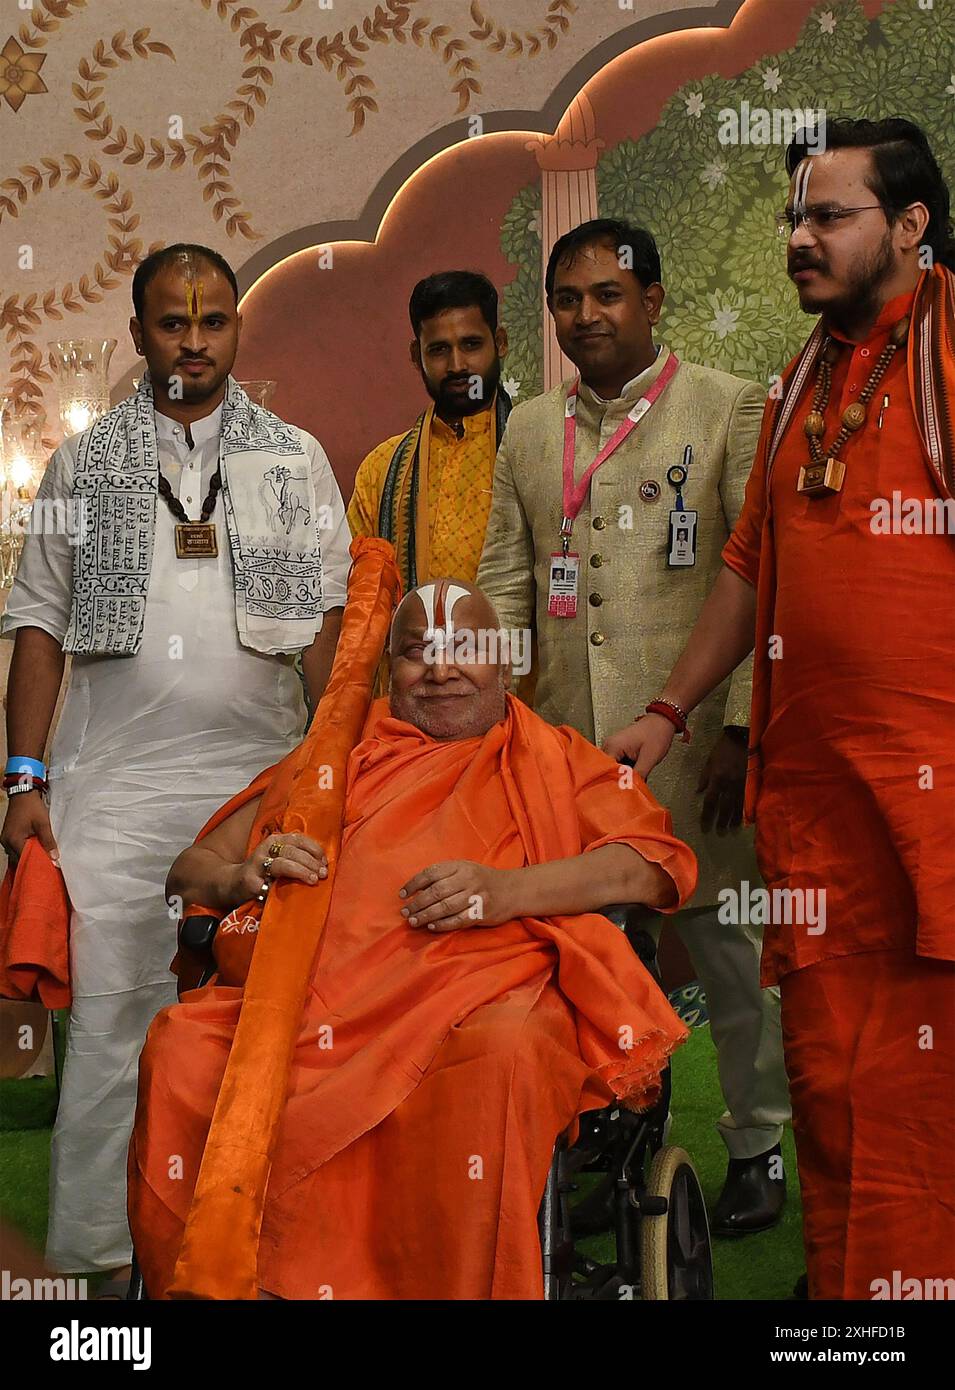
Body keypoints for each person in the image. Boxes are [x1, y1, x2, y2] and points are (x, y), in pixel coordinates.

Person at [127, 571, 698, 1300]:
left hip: (476, 998)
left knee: (502, 1053)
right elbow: (189, 871)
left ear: (505, 660)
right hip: (307, 1002)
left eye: (465, 646)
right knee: (181, 1045)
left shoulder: (556, 757)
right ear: (388, 669)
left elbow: (653, 866)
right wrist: (244, 874)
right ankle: (223, 1281)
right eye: (415, 651)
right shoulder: (333, 756)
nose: (440, 669)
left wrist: (504, 893)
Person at [610, 118, 955, 1298]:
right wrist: (665, 708)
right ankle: (851, 1289)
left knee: (928, 1076)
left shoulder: (951, 348)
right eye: (793, 216)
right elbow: (751, 565)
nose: (798, 238)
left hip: (933, 798)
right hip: (816, 801)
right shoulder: (802, 374)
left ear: (909, 226)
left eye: (828, 216)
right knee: (829, 1066)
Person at [0, 243, 351, 1283]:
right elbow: (37, 625)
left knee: (260, 1024)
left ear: (238, 326)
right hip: (112, 785)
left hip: (259, 781)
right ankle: (104, 1269)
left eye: (212, 323)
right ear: (138, 330)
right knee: (115, 1026)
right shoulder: (86, 460)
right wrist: (23, 780)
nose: (193, 343)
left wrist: (341, 761)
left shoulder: (294, 457)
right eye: (170, 323)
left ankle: (254, 1254)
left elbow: (333, 622)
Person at [478, 219, 791, 1235]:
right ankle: (612, 1145)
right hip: (568, 750)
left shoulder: (727, 406)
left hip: (696, 747)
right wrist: (493, 730)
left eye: (607, 294)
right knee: (592, 953)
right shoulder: (527, 427)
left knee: (730, 953)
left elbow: (763, 577)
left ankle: (758, 1143)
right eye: (568, 298)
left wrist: (742, 728)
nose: (585, 315)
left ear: (652, 302)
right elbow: (507, 580)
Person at [347, 271, 511, 592]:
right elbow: (360, 592)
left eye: (471, 344)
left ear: (500, 342)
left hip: (508, 642)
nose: (457, 365)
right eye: (438, 350)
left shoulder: (533, 451)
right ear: (415, 356)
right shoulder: (381, 468)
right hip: (408, 642)